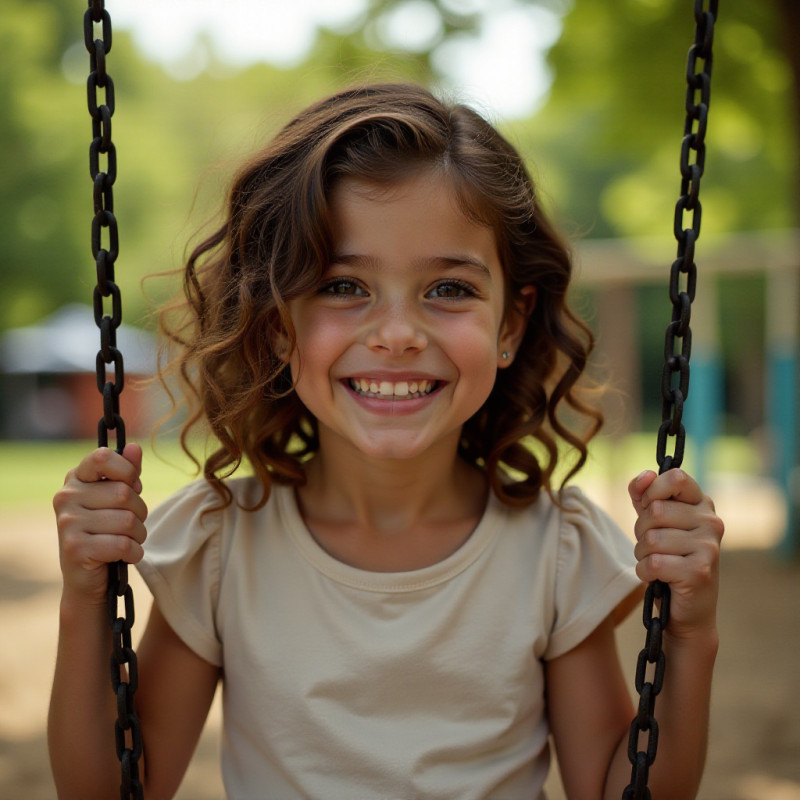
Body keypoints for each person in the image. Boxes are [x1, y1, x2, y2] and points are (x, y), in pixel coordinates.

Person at [49, 83, 723, 800]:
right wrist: (85, 599)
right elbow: (116, 789)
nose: (398, 334)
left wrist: (689, 638)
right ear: (278, 324)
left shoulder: (551, 554)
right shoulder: (223, 548)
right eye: (342, 287)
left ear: (510, 325)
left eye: (449, 290)